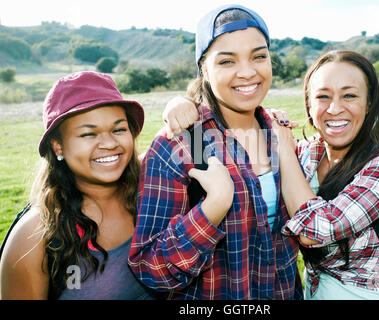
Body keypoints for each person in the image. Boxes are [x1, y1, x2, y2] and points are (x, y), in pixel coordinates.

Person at [162, 50, 379, 300]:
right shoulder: (307, 153)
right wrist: (186, 104)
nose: (335, 108)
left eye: (349, 95)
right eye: (322, 97)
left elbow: (315, 231)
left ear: (369, 102)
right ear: (309, 105)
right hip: (310, 292)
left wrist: (283, 145)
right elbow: (239, 119)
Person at [128, 4, 302, 300]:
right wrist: (214, 207)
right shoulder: (182, 142)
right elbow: (150, 267)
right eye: (226, 61)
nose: (247, 72)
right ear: (203, 68)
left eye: (259, 56)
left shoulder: (278, 132)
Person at [0, 71, 158, 300]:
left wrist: (180, 104)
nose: (109, 143)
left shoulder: (153, 186)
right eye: (88, 134)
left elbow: (193, 136)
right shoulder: (33, 238)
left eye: (119, 129)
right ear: (58, 147)